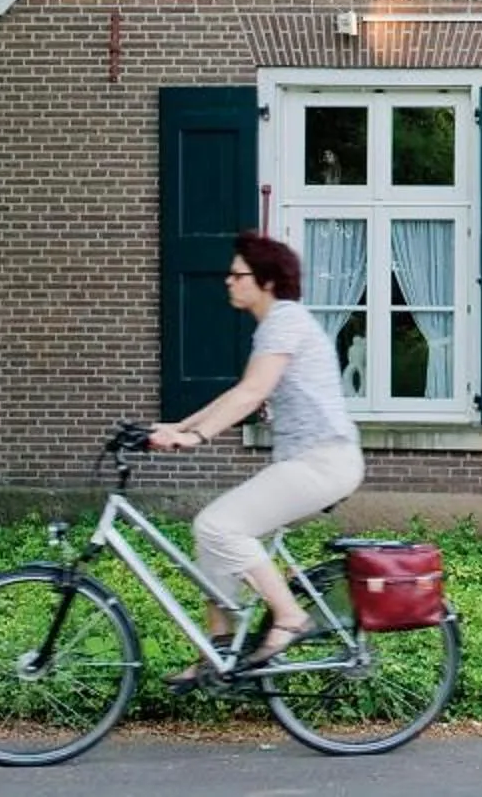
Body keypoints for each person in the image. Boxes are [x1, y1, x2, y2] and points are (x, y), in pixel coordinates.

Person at [146, 231, 365, 678]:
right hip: (310, 463)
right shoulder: (276, 326)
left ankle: (290, 616)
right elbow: (239, 393)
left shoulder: (284, 320)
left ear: (266, 280)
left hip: (323, 462)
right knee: (213, 537)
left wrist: (196, 437)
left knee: (217, 525)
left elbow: (252, 393)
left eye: (238, 274)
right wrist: (178, 428)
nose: (229, 281)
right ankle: (219, 651)